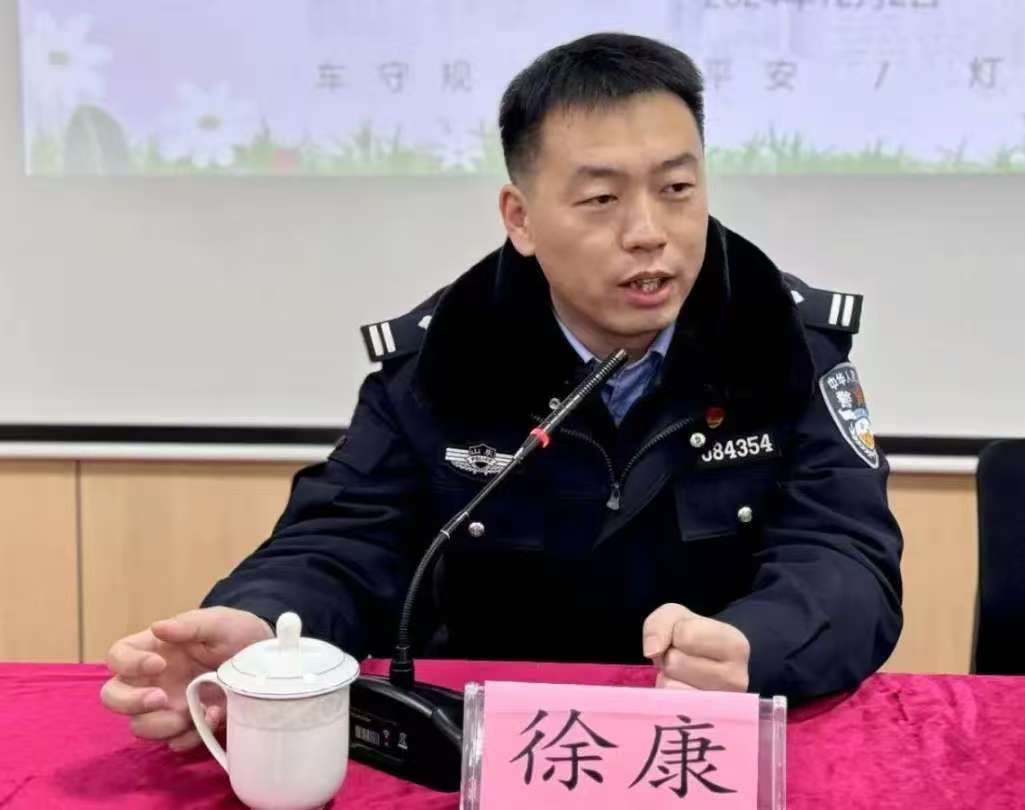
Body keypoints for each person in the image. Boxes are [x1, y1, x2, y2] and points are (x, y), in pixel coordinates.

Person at [101, 32, 903, 753]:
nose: (648, 232)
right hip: (493, 748)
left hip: (708, 742)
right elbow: (343, 542)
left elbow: (845, 553)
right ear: (520, 218)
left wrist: (758, 644)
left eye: (676, 189)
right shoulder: (445, 360)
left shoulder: (783, 344)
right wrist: (263, 629)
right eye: (601, 199)